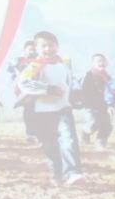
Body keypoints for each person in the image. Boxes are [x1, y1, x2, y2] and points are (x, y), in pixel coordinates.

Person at [16, 31, 84, 185]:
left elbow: (70, 81)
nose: (48, 49)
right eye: (44, 46)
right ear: (37, 48)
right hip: (42, 112)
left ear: (57, 46)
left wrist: (76, 94)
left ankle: (73, 172)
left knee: (69, 140)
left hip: (64, 109)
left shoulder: (64, 63)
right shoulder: (35, 65)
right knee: (50, 145)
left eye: (51, 45)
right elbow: (23, 83)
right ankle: (57, 173)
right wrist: (48, 89)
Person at [80, 53, 113, 151]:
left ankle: (100, 143)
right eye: (98, 61)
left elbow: (112, 92)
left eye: (103, 61)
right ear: (93, 64)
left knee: (107, 126)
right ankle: (85, 133)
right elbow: (83, 90)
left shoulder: (108, 77)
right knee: (93, 124)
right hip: (91, 105)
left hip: (104, 106)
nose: (101, 63)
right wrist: (85, 102)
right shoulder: (88, 75)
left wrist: (111, 105)